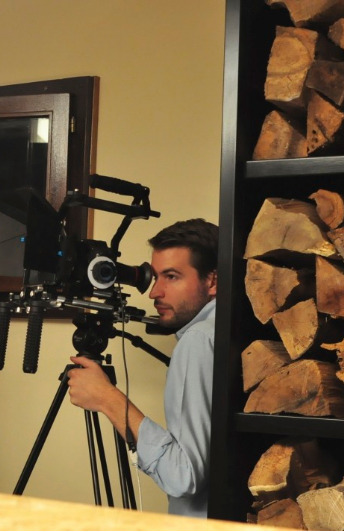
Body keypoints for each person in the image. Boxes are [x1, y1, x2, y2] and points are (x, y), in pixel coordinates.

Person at [67, 218, 218, 518]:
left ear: (212, 281)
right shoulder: (226, 330)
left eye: (172, 277)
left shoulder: (198, 340)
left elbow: (183, 476)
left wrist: (107, 399)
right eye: (156, 277)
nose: (154, 292)